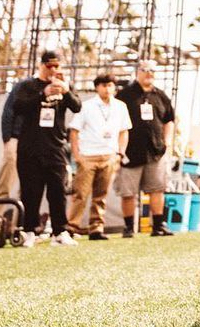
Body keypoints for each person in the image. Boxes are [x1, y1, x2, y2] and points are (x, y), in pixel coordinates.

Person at [12, 50, 82, 246]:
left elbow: (77, 107)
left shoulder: (64, 86)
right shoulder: (28, 86)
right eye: (49, 66)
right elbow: (18, 107)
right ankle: (29, 231)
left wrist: (65, 90)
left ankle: (60, 231)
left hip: (56, 147)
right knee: (31, 192)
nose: (53, 70)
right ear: (40, 65)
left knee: (58, 191)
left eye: (56, 66)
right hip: (30, 147)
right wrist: (42, 94)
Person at [115, 60, 176, 237]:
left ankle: (158, 226)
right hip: (130, 153)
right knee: (128, 192)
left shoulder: (161, 96)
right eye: (145, 70)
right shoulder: (125, 95)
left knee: (157, 189)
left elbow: (169, 120)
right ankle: (128, 228)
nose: (149, 73)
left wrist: (167, 141)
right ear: (137, 72)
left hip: (156, 152)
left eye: (152, 70)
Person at [65, 73, 131, 240]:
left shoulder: (121, 106)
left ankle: (96, 228)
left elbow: (124, 131)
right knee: (81, 193)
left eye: (110, 85)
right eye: (103, 85)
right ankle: (72, 226)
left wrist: (120, 152)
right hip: (88, 155)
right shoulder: (86, 106)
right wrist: (77, 154)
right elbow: (74, 130)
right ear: (97, 87)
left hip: (109, 155)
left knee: (101, 195)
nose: (107, 89)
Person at [0, 76, 29, 220]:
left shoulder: (55, 89)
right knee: (4, 184)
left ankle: (20, 227)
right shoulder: (23, 86)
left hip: (35, 143)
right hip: (15, 139)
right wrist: (8, 139)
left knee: (28, 190)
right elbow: (8, 111)